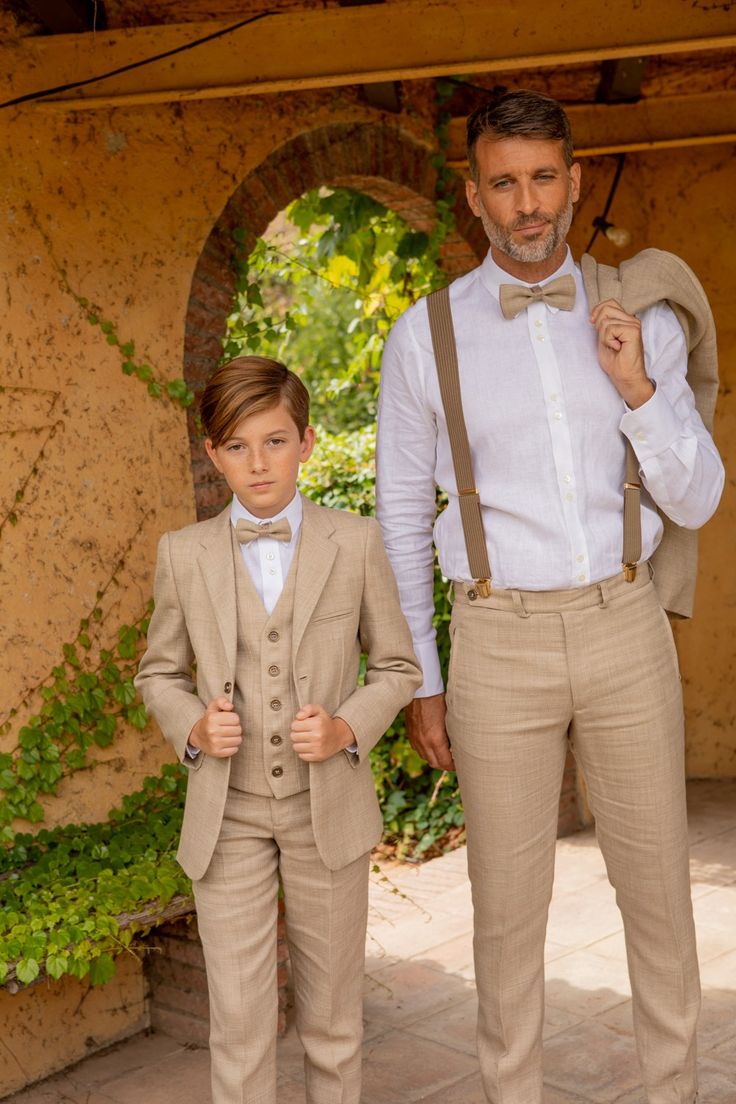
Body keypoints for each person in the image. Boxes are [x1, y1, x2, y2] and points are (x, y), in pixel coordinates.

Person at [376, 89, 724, 1104]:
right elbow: (401, 521)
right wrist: (422, 680)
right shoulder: (421, 339)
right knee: (505, 909)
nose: (526, 204)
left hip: (623, 625)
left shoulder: (642, 319)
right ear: (473, 196)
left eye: (542, 179)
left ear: (572, 182)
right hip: (495, 639)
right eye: (502, 183)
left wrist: (635, 389)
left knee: (657, 897)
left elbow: (697, 495)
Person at [135, 355, 421, 1104]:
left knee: (332, 1021)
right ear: (213, 454)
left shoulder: (354, 542)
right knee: (239, 1022)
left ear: (307, 442)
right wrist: (192, 727)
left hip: (325, 806)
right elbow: (156, 673)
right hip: (225, 815)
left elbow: (397, 667)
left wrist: (345, 728)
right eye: (237, 446)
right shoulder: (184, 554)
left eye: (274, 441)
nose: (257, 463)